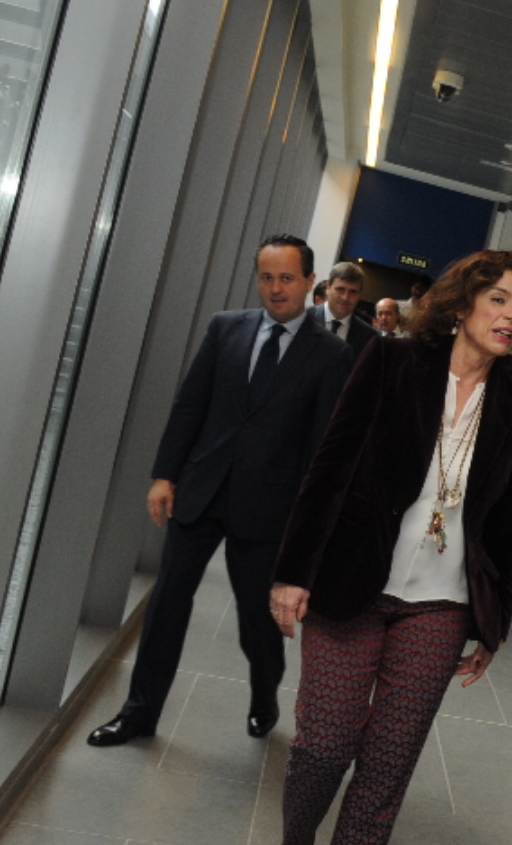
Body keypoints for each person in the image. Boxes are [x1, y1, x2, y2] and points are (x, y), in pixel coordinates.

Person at [261, 250, 512, 845]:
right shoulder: (391, 364)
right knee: (322, 748)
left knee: (387, 769)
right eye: (500, 298)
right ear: (462, 302)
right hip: (353, 583)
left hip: (440, 608)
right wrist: (292, 571)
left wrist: (493, 623)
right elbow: (330, 464)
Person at [88, 235, 351, 747]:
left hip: (268, 507)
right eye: (267, 277)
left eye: (287, 278)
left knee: (257, 619)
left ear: (309, 282)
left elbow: (322, 445)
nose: (276, 288)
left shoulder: (331, 354)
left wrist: (304, 521)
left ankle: (264, 690)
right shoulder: (225, 327)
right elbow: (190, 404)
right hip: (201, 492)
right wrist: (165, 475)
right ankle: (139, 713)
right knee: (167, 604)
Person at [311, 260, 377, 352]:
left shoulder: (368, 336)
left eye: (353, 292)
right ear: (328, 287)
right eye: (340, 289)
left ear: (359, 295)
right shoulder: (302, 318)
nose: (345, 297)